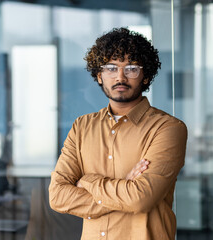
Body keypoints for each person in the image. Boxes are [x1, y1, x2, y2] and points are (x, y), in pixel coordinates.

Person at [49, 27, 187, 240]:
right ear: (99, 75)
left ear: (146, 76)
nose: (120, 77)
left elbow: (139, 199)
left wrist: (87, 181)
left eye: (131, 68)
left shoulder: (168, 129)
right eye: (111, 68)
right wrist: (124, 189)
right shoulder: (82, 127)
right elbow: (58, 196)